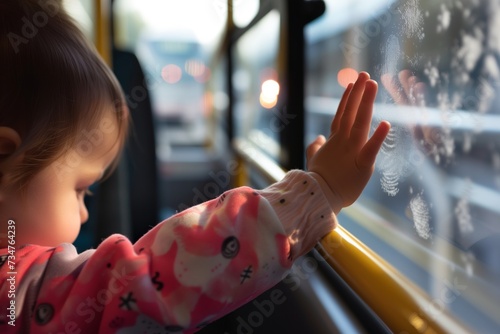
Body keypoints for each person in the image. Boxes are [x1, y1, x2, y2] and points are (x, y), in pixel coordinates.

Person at [0, 1, 391, 333]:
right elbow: (157, 276)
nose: (85, 212)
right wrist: (313, 194)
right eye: (79, 188)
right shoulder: (19, 290)